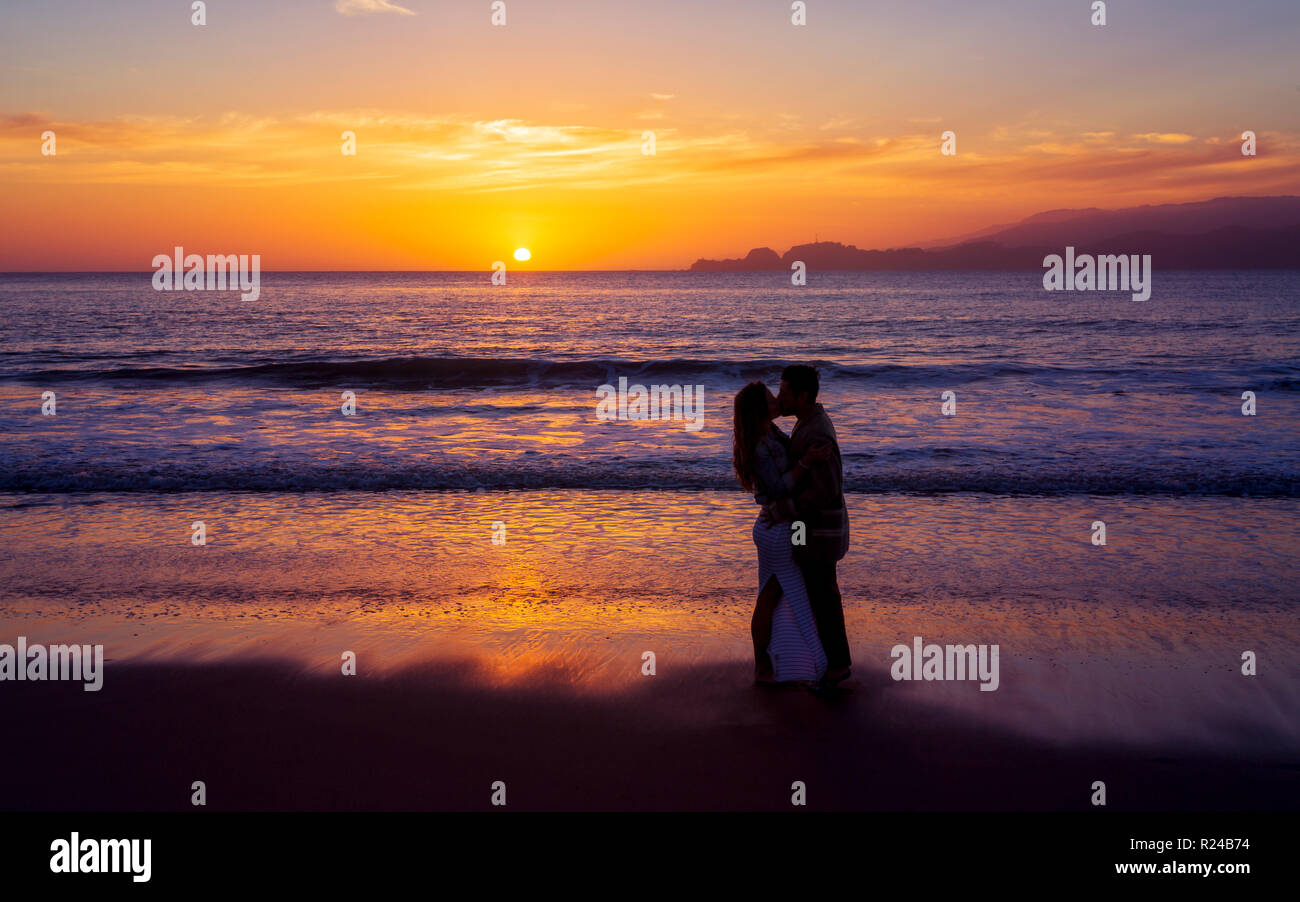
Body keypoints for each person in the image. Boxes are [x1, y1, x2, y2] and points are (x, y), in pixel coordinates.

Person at [732, 380, 829, 685]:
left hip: (782, 523)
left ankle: (785, 659)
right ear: (761, 408)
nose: (777, 399)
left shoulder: (769, 433)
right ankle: (764, 663)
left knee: (781, 589)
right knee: (771, 593)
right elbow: (778, 487)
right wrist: (806, 461)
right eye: (770, 397)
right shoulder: (762, 446)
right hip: (777, 531)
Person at [764, 365, 852, 687]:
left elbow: (824, 491)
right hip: (807, 529)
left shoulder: (816, 430)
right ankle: (821, 660)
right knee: (813, 590)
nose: (780, 397)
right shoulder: (807, 422)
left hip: (819, 531)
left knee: (824, 595)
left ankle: (838, 665)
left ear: (802, 396)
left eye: (785, 392)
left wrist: (781, 508)